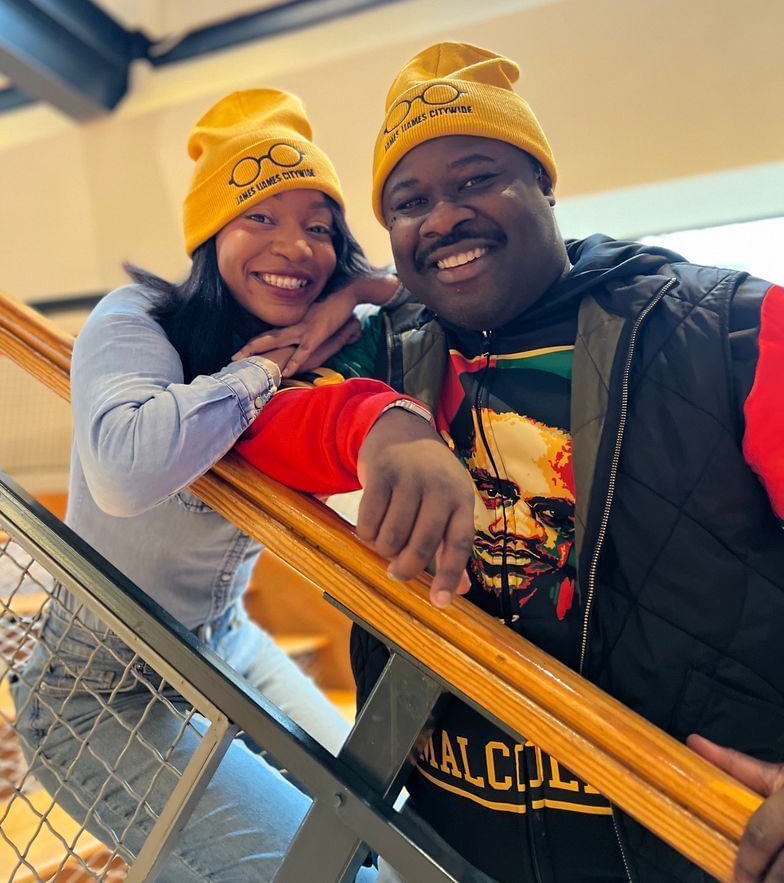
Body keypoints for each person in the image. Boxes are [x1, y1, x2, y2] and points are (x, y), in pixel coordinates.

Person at [238, 43, 784, 883]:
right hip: (449, 844)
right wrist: (376, 421)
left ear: (544, 184)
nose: (442, 216)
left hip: (699, 851)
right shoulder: (386, 352)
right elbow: (236, 417)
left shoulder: (731, 329)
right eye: (409, 200)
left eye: (476, 178)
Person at [11, 87, 474, 883]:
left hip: (222, 641)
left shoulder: (331, 334)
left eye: (318, 228)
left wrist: (359, 292)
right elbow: (125, 469)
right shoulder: (139, 319)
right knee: (324, 872)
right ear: (211, 232)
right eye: (260, 215)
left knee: (391, 834)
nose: (295, 246)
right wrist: (265, 365)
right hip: (95, 690)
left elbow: (437, 306)